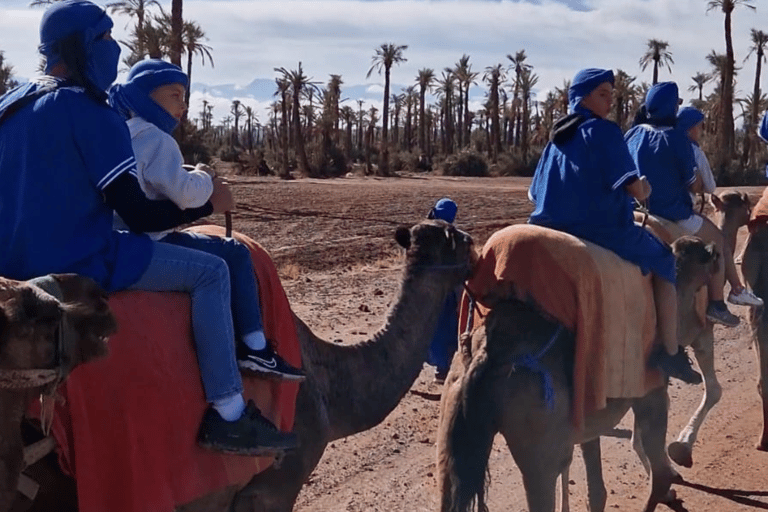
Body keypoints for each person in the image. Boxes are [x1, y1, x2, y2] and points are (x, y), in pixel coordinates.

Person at [0, 0, 297, 456]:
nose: (112, 49)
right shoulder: (91, 112)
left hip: (9, 264)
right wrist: (208, 206)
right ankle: (230, 413)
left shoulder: (11, 104)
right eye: (103, 38)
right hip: (80, 259)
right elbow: (139, 216)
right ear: (79, 46)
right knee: (211, 273)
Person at [108, 59, 304, 382]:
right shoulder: (158, 141)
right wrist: (206, 181)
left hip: (123, 238)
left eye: (184, 97)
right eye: (175, 95)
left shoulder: (122, 135)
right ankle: (254, 349)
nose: (182, 106)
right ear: (145, 96)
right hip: (152, 242)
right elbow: (186, 194)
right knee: (234, 256)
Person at [528, 68, 701, 384]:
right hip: (601, 229)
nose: (610, 101)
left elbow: (533, 193)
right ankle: (671, 351)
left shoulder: (555, 139)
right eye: (603, 94)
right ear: (582, 98)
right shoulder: (604, 132)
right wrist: (644, 188)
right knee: (665, 259)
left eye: (611, 94)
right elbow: (634, 188)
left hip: (549, 227)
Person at [625, 82, 762, 329]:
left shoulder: (633, 134)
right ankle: (719, 303)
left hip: (635, 209)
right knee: (719, 241)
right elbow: (694, 184)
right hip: (673, 213)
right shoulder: (675, 138)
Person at [425, 198, 461, 384]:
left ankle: (439, 367)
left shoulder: (427, 234)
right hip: (449, 293)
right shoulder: (456, 237)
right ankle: (443, 368)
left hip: (432, 292)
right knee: (448, 330)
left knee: (432, 331)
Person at [677, 106, 716, 205]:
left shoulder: (665, 144)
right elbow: (710, 187)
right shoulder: (695, 151)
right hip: (681, 209)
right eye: (700, 126)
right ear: (692, 128)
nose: (701, 130)